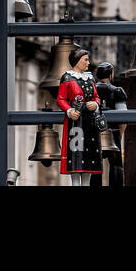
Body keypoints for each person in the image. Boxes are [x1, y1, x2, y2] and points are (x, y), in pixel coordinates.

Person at [56, 46, 103, 186]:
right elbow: (61, 99)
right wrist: (69, 111)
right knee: (76, 155)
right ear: (77, 61)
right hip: (76, 123)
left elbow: (96, 96)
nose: (88, 63)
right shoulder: (67, 78)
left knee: (89, 157)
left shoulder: (90, 78)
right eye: (86, 60)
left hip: (90, 122)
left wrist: (95, 104)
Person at [93, 61, 127, 188]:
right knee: (116, 164)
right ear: (111, 74)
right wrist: (120, 134)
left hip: (94, 132)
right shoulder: (118, 91)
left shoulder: (90, 91)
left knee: (94, 163)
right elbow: (123, 117)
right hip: (113, 132)